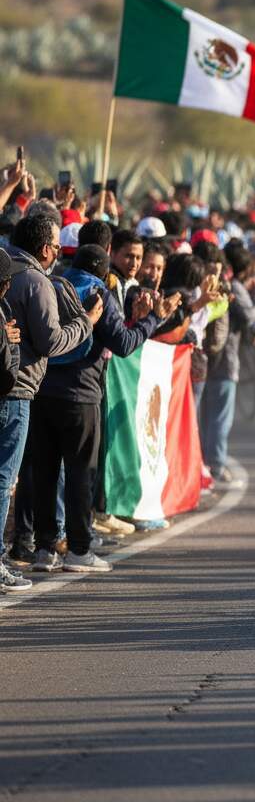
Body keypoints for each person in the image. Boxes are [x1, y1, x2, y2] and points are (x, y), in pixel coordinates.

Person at [26, 245, 176, 573]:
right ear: (103, 267)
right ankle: (79, 551)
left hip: (42, 392)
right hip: (81, 397)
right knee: (81, 474)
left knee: (45, 473)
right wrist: (153, 319)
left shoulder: (50, 284)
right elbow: (122, 344)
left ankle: (44, 549)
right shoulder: (98, 293)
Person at [0, 213, 100, 590]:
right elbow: (52, 342)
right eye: (56, 246)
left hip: (14, 387)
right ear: (45, 249)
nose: (58, 253)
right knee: (4, 479)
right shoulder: (35, 281)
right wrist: (86, 322)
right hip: (16, 391)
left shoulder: (5, 266)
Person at [201, 242, 255, 487]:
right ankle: (215, 464)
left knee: (209, 415)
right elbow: (250, 318)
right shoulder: (236, 287)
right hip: (225, 361)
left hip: (211, 359)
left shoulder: (224, 285)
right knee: (220, 418)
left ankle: (208, 462)